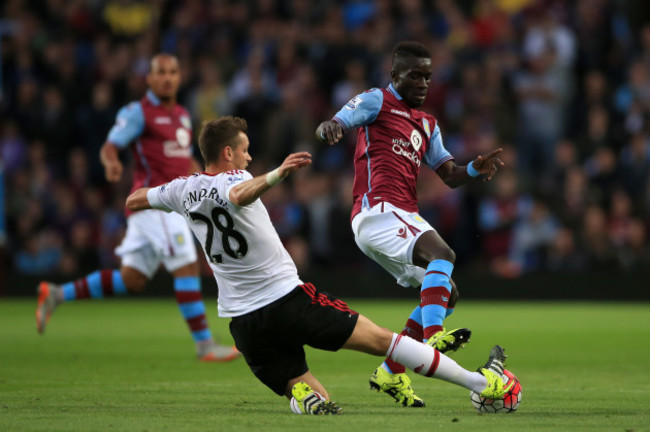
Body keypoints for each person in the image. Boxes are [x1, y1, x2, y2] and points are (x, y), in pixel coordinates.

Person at [124, 115, 514, 414]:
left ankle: (302, 399)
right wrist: (276, 174)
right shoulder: (237, 177)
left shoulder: (181, 189)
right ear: (228, 154)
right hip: (287, 301)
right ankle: (480, 384)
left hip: (243, 323)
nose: (249, 156)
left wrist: (157, 189)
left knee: (316, 395)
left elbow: (134, 200)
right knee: (384, 341)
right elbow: (238, 193)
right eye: (244, 150)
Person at [315, 41, 505, 407]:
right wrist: (329, 128)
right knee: (443, 253)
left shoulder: (428, 124)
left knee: (448, 291)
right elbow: (336, 121)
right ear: (395, 75)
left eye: (428, 77)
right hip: (378, 211)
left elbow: (448, 174)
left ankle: (391, 371)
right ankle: (433, 338)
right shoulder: (376, 101)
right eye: (415, 75)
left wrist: (472, 170)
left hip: (400, 216)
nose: (422, 83)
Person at [35, 54, 240, 363]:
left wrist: (211, 181)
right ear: (150, 79)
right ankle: (204, 344)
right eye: (161, 73)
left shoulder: (183, 115)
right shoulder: (138, 113)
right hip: (154, 203)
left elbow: (184, 159)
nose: (168, 78)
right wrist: (112, 162)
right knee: (186, 265)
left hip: (168, 203)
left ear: (179, 77)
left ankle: (57, 294)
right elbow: (110, 146)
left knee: (132, 279)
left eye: (173, 72)